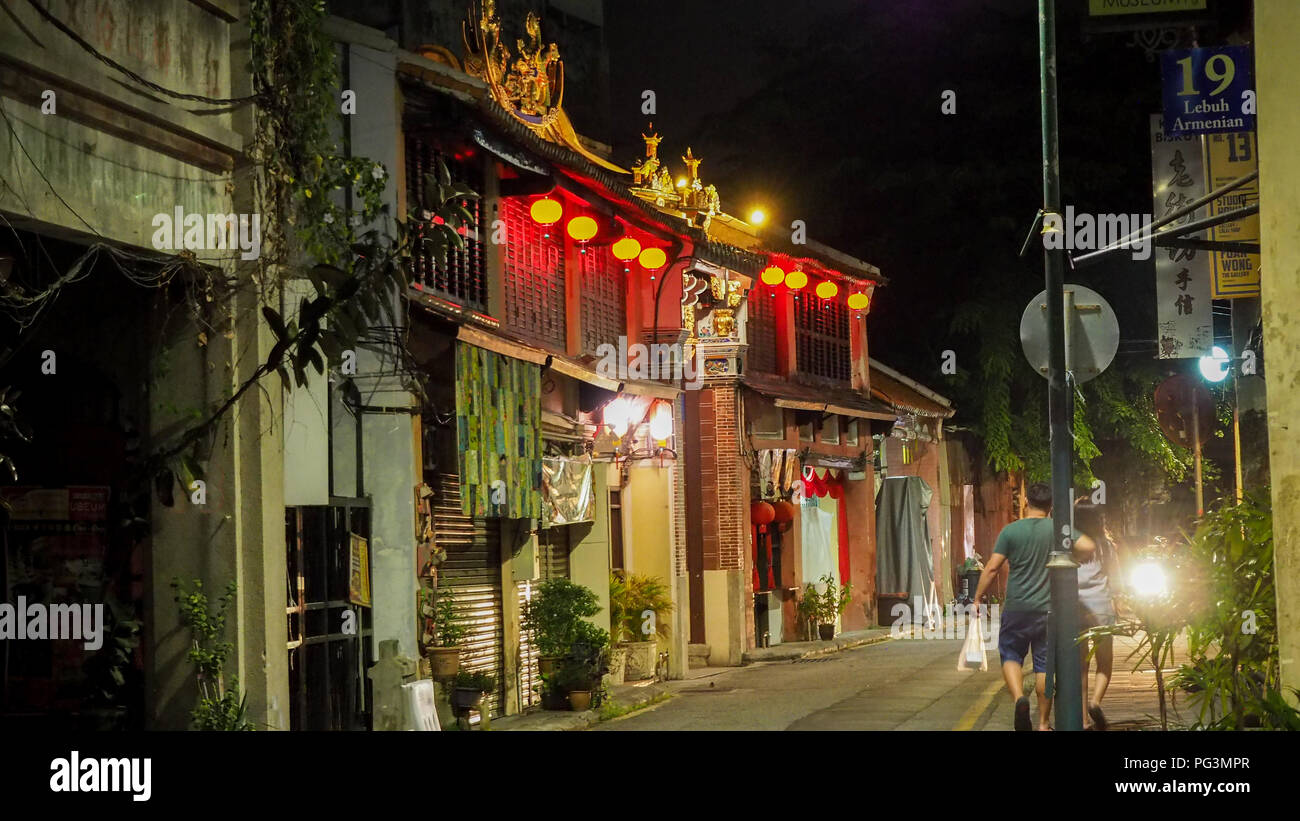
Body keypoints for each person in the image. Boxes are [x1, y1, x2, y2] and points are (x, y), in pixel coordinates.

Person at [972, 482, 1094, 731]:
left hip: (1016, 607)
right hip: (1048, 610)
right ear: (1051, 505)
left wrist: (976, 598)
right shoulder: (1057, 529)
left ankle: (1019, 699)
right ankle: (1042, 724)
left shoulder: (1010, 531)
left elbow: (992, 567)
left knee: (1010, 654)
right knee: (1044, 665)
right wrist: (1072, 560)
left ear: (1026, 501)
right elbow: (1088, 546)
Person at [1073, 501, 1118, 731]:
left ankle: (1081, 719)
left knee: (1081, 667)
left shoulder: (1071, 547)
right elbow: (1116, 580)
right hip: (1101, 610)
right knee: (1105, 662)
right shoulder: (1107, 546)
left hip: (1077, 609)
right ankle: (1095, 701)